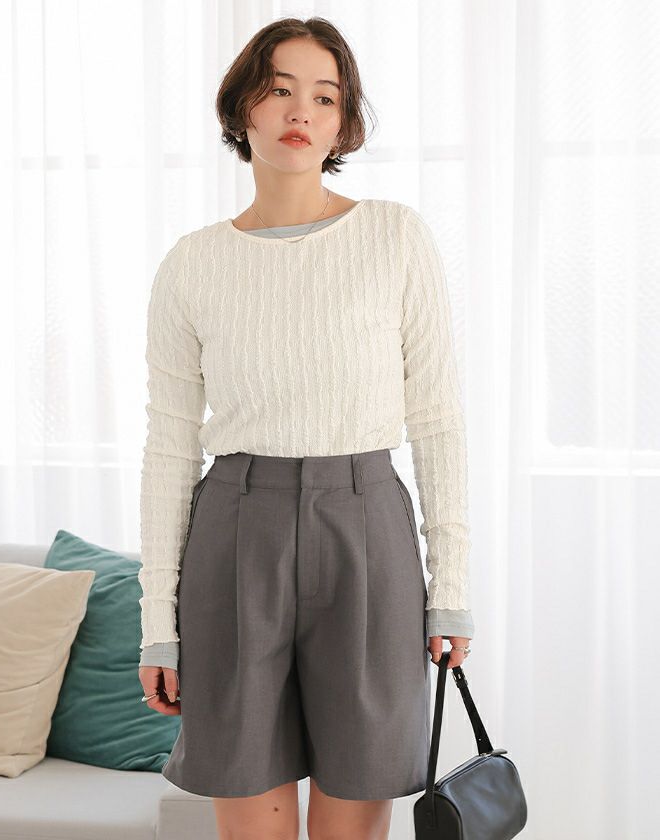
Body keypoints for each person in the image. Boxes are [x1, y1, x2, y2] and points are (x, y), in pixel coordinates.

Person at [137, 16, 474, 840]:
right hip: (234, 530)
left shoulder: (395, 236)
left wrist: (452, 590)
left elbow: (437, 419)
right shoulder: (192, 263)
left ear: (343, 121)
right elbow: (170, 445)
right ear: (241, 108)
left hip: (367, 524)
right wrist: (157, 625)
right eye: (279, 89)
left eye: (325, 97)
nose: (301, 111)